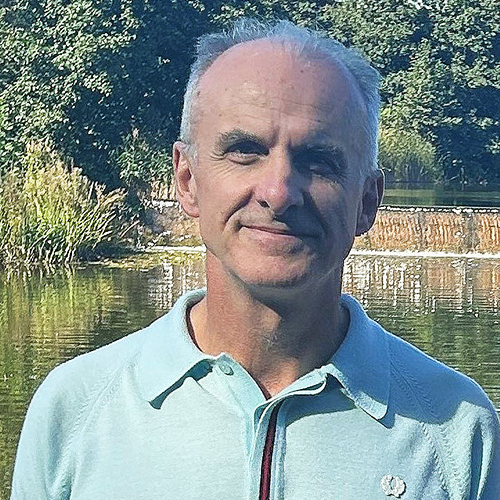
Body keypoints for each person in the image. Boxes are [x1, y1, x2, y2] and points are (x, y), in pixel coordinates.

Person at [11, 18, 499, 500]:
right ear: (187, 180)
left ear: (368, 200)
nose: (278, 192)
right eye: (244, 150)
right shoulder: (74, 408)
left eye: (318, 161)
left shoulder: (456, 428)